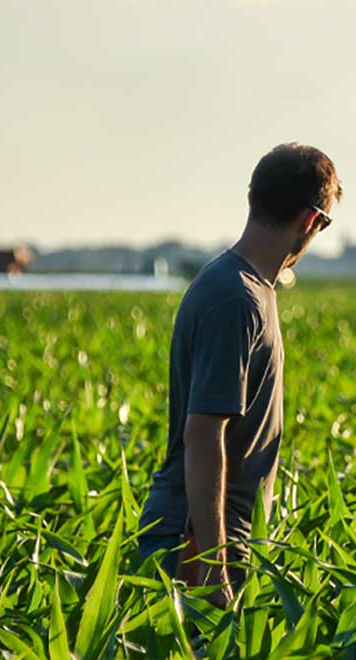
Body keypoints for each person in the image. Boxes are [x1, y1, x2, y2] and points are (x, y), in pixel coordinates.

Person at [137, 143, 341, 608]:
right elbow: (204, 432)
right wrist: (213, 566)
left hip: (219, 541)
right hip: (194, 544)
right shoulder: (236, 298)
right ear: (310, 221)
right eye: (324, 224)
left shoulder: (249, 289)